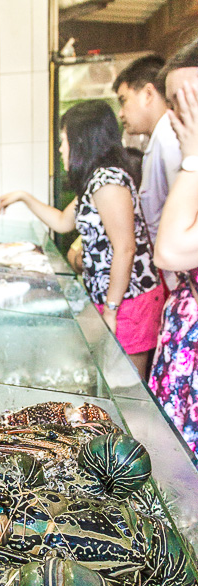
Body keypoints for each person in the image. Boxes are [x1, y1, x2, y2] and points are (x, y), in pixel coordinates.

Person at [0, 100, 165, 379]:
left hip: (128, 300)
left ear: (83, 141)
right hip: (110, 297)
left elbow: (125, 249)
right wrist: (24, 196)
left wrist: (111, 310)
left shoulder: (108, 182)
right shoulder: (94, 180)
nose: (61, 149)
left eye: (64, 141)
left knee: (126, 386)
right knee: (101, 374)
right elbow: (62, 222)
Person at [148, 38, 198, 456]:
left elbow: (171, 250)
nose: (178, 117)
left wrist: (193, 158)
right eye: (174, 102)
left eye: (190, 100)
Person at [114, 55, 182, 249]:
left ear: (148, 94)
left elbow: (182, 213)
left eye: (123, 100)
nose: (121, 113)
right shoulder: (160, 138)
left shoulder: (169, 136)